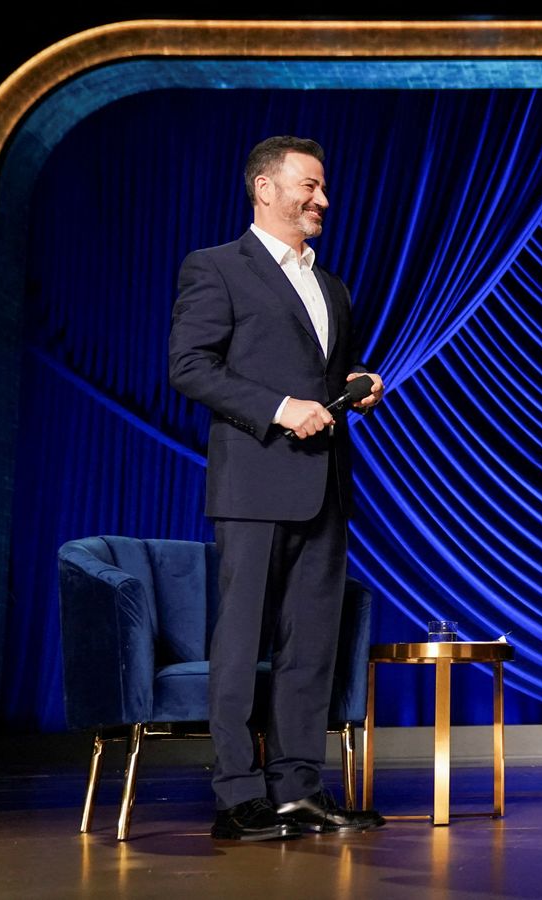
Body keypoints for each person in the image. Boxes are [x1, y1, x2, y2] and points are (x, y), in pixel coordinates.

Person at [169, 136, 387, 841]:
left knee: (310, 647)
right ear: (265, 188)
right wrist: (279, 408)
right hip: (255, 483)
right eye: (308, 185)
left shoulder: (332, 287)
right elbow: (189, 366)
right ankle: (238, 796)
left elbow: (322, 375)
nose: (322, 199)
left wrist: (357, 383)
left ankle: (298, 790)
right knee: (241, 643)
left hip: (324, 486)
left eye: (322, 187)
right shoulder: (216, 267)